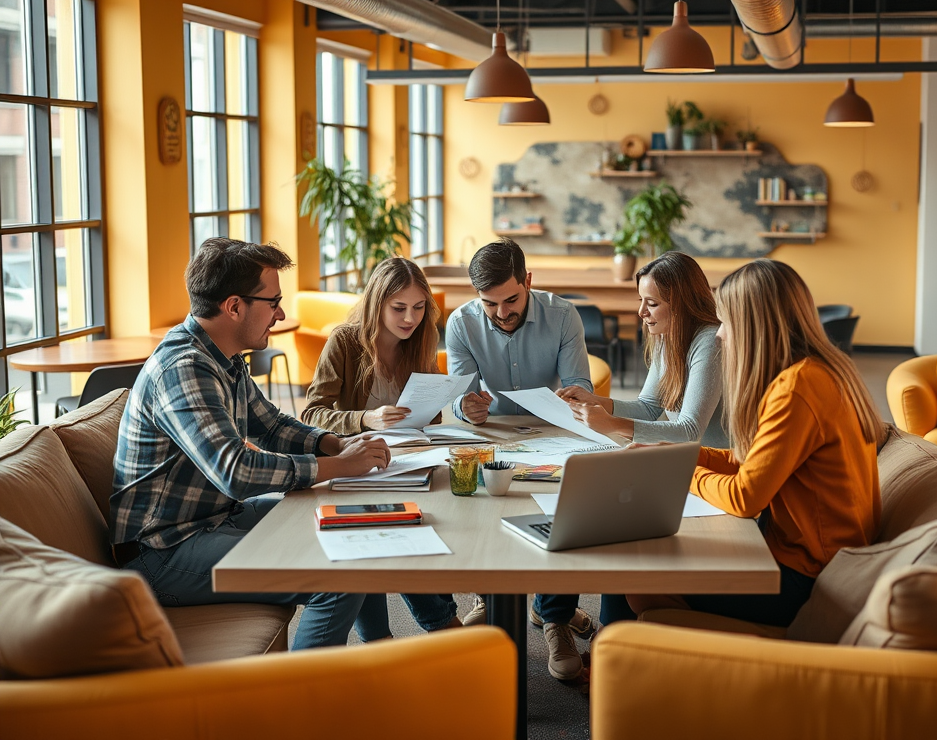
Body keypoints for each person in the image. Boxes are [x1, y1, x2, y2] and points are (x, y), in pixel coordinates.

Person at [110, 238, 392, 649]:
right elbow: (236, 472)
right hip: (162, 550)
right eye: (273, 301)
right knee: (338, 574)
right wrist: (341, 466)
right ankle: (298, 702)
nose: (279, 314)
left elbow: (272, 425)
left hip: (214, 519)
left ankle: (381, 647)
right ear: (234, 307)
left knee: (345, 521)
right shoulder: (184, 367)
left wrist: (335, 444)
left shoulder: (222, 356)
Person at [627, 259, 885, 627]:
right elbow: (751, 462)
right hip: (818, 556)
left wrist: (678, 470)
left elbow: (745, 498)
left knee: (638, 580)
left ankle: (618, 666)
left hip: (809, 575)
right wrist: (674, 454)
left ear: (753, 326)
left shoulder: (797, 389)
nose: (718, 334)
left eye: (726, 322)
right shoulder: (816, 372)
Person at [445, 237, 596, 681]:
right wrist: (463, 408)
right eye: (489, 303)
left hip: (551, 431)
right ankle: (491, 598)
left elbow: (578, 387)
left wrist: (572, 397)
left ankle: (554, 615)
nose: (502, 312)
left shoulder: (563, 314)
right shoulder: (461, 323)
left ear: (528, 281)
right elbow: (458, 398)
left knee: (564, 508)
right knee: (474, 499)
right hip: (490, 432)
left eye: (511, 299)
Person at [302, 256, 462, 639]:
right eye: (399, 308)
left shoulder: (420, 341)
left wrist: (444, 404)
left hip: (407, 462)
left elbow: (430, 419)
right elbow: (310, 415)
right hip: (355, 468)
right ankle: (426, 630)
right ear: (377, 304)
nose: (410, 318)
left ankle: (404, 635)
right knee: (385, 536)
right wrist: (365, 419)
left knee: (426, 529)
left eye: (420, 308)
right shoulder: (345, 341)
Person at [557, 251, 728, 447]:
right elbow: (648, 408)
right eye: (641, 301)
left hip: (720, 466)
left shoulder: (710, 341)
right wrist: (595, 401)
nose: (641, 312)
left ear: (682, 305)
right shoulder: (667, 336)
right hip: (690, 460)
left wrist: (612, 424)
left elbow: (690, 430)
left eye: (653, 303)